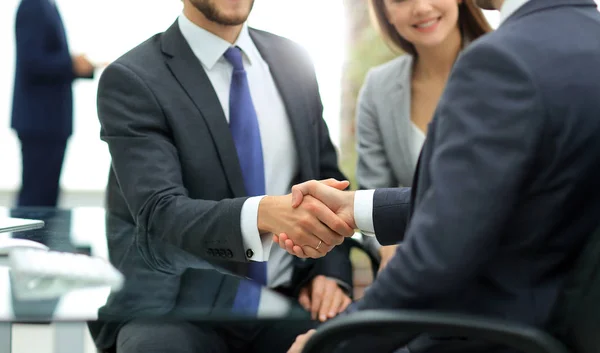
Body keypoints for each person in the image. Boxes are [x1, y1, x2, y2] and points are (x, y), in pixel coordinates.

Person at [280, 0, 600, 352]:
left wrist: (332, 343)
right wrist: (358, 208)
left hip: (496, 334)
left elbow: (435, 263)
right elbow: (526, 197)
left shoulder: (502, 60)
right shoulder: (585, 37)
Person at [94, 0, 355, 351]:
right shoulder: (133, 78)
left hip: (288, 302)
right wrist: (263, 214)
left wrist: (330, 273)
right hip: (175, 311)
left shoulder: (293, 60)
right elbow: (160, 213)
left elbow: (328, 181)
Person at [356, 0, 491, 270]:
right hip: (413, 272)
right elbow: (372, 197)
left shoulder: (504, 69)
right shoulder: (377, 88)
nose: (420, 7)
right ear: (386, 13)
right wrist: (389, 252)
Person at [11, 0, 98, 207]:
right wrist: (72, 64)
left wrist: (80, 66)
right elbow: (31, 62)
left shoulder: (46, 5)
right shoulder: (33, 5)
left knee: (45, 197)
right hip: (40, 122)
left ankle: (34, 240)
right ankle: (27, 241)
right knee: (36, 200)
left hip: (48, 122)